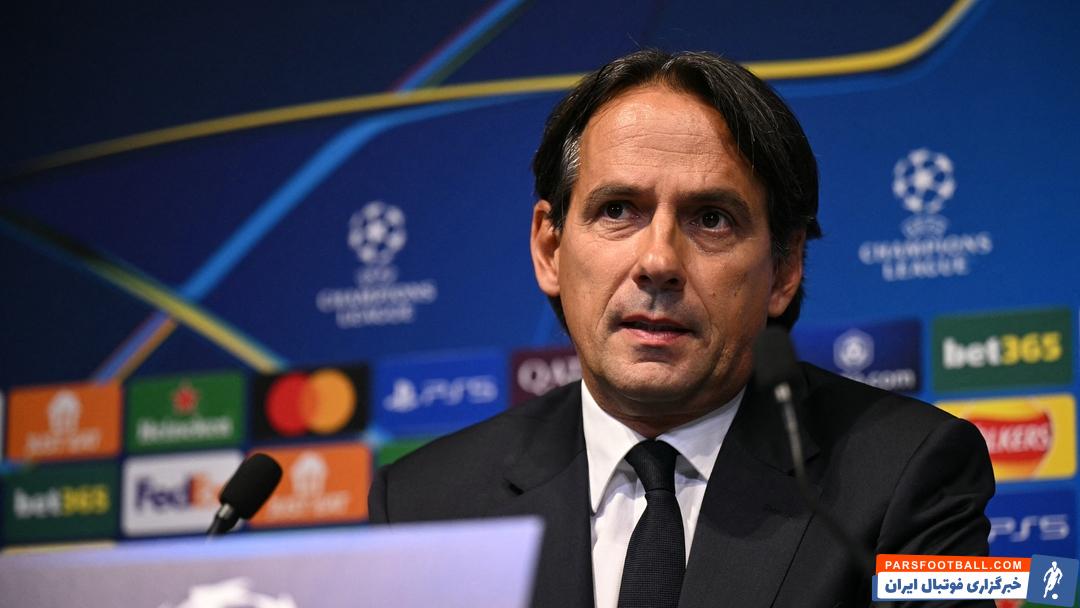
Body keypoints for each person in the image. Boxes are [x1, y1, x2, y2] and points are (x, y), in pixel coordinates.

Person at [368, 49, 995, 608]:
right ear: (550, 249)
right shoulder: (424, 508)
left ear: (785, 267)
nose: (658, 261)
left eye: (711, 219)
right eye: (618, 210)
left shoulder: (911, 472)